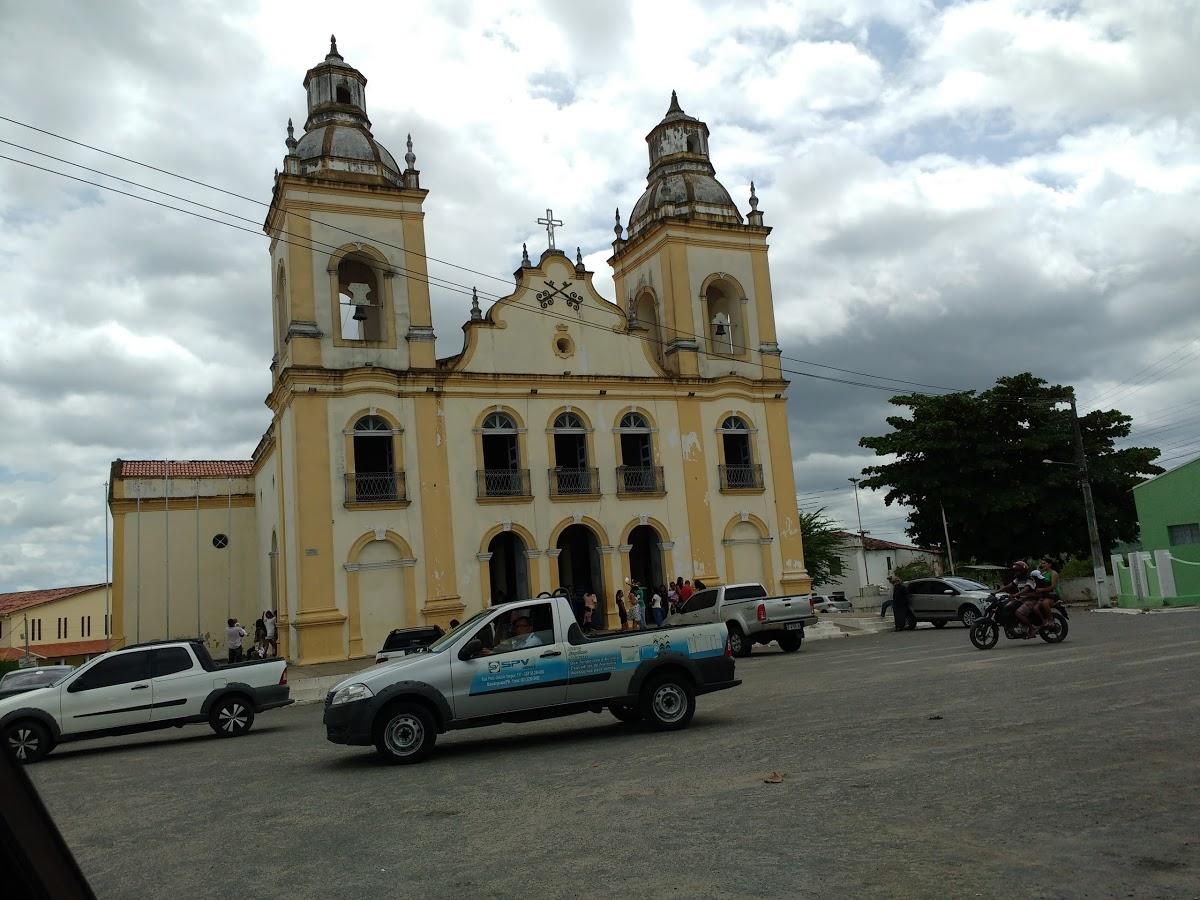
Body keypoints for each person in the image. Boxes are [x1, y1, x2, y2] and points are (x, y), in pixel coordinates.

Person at [1035, 558, 1060, 628]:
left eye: (1044, 563)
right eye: (1041, 563)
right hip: (1045, 594)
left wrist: (1042, 589)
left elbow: (1053, 586)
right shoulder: (1043, 573)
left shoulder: (1053, 573)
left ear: (1049, 564)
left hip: (1053, 594)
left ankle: (1051, 620)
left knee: (1044, 603)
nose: (1042, 565)